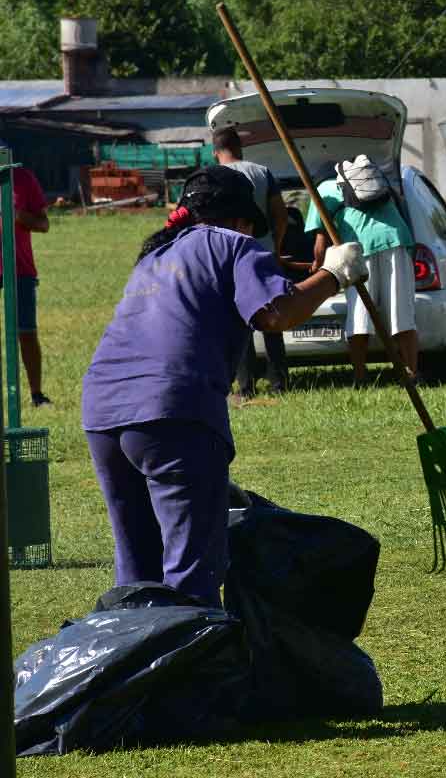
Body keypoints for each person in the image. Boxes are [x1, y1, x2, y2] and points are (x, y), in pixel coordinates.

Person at [82, 166, 366, 606]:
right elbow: (276, 313)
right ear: (240, 220)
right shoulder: (234, 244)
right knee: (191, 572)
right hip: (173, 410)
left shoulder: (155, 256)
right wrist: (335, 274)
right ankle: (195, 648)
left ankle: (135, 643)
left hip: (103, 412)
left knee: (137, 570)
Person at [305, 156, 417, 384]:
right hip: (396, 241)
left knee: (359, 317)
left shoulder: (322, 190)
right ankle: (412, 374)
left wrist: (318, 266)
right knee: (402, 314)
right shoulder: (371, 180)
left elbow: (320, 244)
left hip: (360, 249)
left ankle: (360, 378)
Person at [212, 126, 293, 399]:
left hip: (229, 256)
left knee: (239, 319)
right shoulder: (262, 172)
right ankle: (280, 382)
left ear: (215, 152)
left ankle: (245, 386)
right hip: (262, 251)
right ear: (240, 147)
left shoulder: (213, 176)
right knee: (272, 315)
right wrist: (276, 247)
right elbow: (281, 215)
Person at [0, 140, 51, 407]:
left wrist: (19, 216)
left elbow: (44, 224)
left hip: (19, 267)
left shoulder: (23, 179)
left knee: (26, 331)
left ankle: (37, 395)